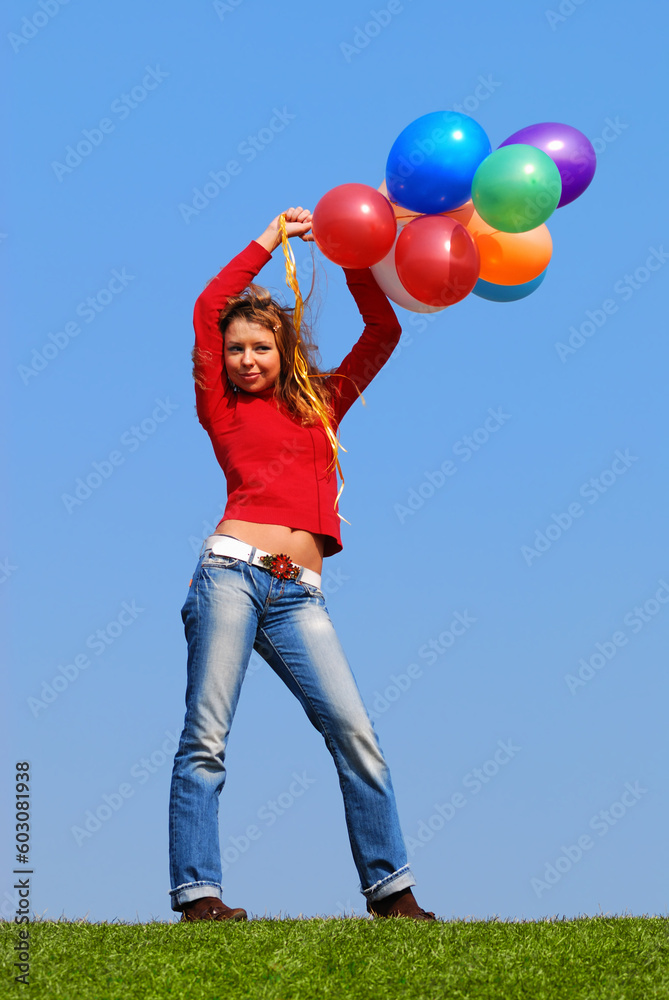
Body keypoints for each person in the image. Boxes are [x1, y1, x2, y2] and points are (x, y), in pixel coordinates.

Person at [168, 206, 436, 922]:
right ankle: (199, 896)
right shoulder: (220, 410)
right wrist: (269, 239)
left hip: (300, 597)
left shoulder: (322, 404)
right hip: (231, 574)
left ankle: (391, 893)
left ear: (284, 350)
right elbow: (205, 305)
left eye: (260, 346)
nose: (246, 359)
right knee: (207, 737)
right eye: (236, 348)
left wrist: (351, 252)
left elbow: (384, 332)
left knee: (356, 735)